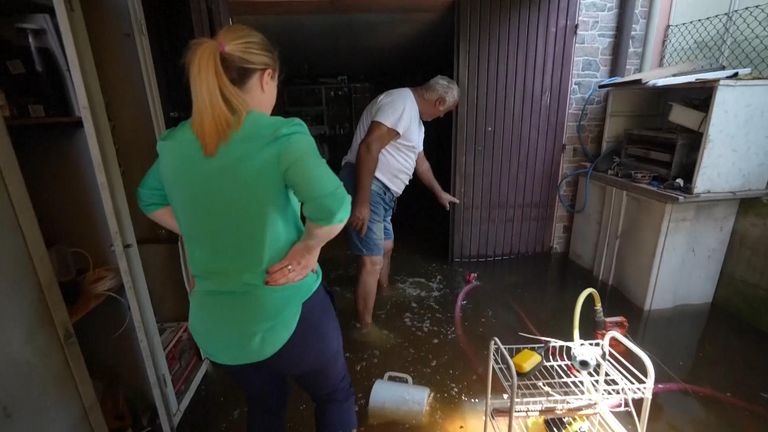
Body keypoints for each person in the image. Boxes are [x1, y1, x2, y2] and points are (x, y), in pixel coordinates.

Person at [136, 25, 356, 432]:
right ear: (267, 76)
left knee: (265, 403)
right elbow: (334, 207)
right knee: (334, 394)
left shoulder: (175, 144)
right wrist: (310, 245)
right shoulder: (281, 136)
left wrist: (204, 229)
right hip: (288, 313)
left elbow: (149, 199)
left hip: (218, 330)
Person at [339, 76, 460, 340]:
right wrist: (361, 202)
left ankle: (383, 292)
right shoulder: (401, 103)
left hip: (383, 194)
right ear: (439, 102)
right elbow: (369, 146)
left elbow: (422, 164)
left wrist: (439, 193)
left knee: (385, 248)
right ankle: (364, 327)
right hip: (369, 187)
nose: (442, 117)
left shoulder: (414, 121)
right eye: (445, 112)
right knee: (371, 260)